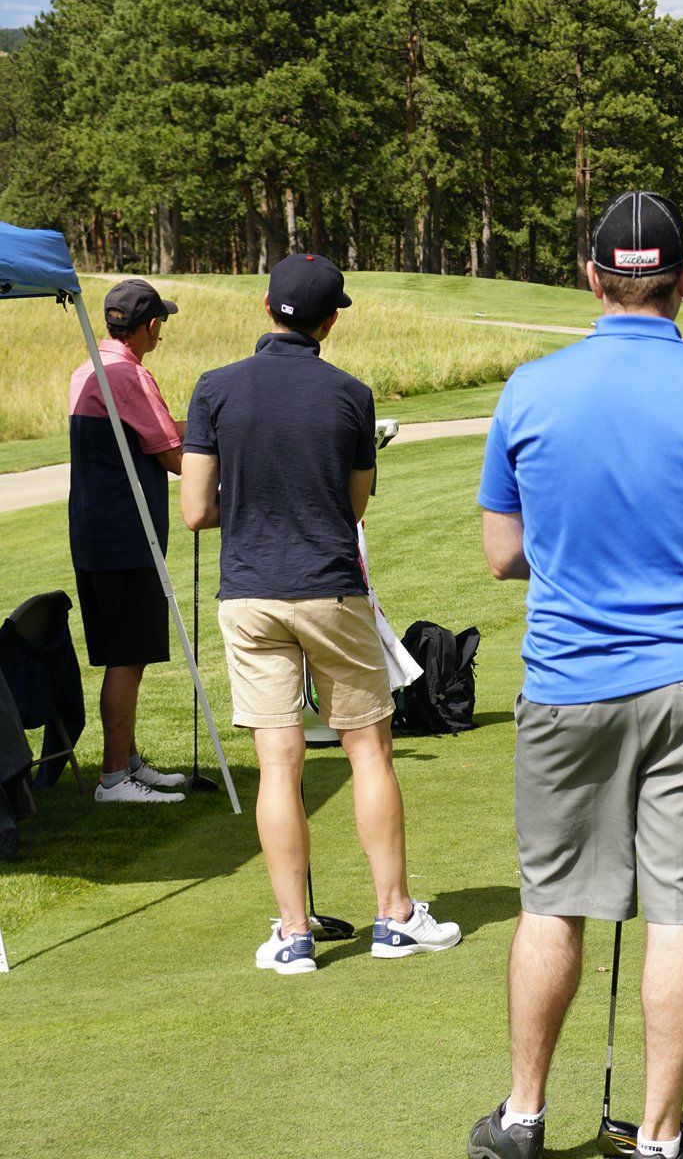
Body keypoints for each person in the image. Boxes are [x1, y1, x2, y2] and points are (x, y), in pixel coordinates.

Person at [470, 191, 683, 1159]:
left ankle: (523, 1117)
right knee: (682, 910)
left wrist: (583, 551)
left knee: (552, 901)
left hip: (570, 681)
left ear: (591, 277)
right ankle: (656, 1137)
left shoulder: (530, 388)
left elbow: (501, 552)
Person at [181, 253, 459, 975]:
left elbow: (195, 510)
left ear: (268, 308)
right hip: (328, 584)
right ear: (329, 318)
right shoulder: (349, 394)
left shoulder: (214, 389)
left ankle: (295, 933)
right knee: (368, 749)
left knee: (279, 763)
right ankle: (394, 917)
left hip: (249, 592)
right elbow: (355, 503)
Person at [67, 278, 192, 803]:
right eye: (159, 321)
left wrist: (211, 426)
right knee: (128, 655)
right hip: (125, 534)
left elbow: (151, 435)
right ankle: (115, 777)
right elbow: (172, 456)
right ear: (149, 325)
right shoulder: (128, 375)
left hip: (98, 531)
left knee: (126, 653)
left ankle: (129, 761)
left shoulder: (89, 367)